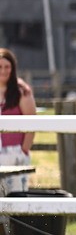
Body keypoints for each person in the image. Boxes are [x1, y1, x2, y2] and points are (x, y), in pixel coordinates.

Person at [0, 48, 36, 195]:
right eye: (0, 67)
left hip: (14, 151)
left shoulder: (21, 91)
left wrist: (23, 150)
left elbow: (31, 123)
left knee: (15, 195)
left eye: (7, 66)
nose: (3, 71)